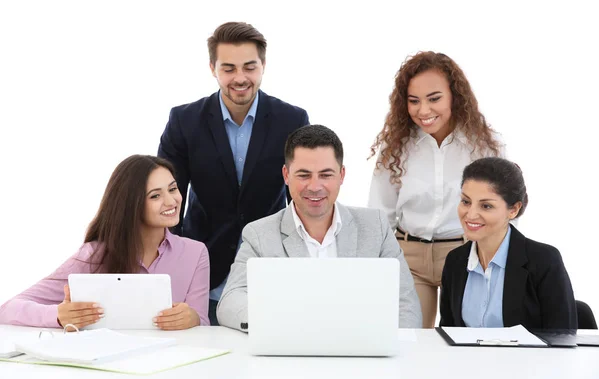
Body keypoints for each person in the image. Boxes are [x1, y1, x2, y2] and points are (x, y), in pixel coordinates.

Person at [158, 22, 309, 325]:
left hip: (271, 270)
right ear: (212, 68)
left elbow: (304, 194)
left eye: (249, 67)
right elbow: (165, 199)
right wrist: (171, 268)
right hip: (204, 271)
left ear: (263, 66)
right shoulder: (184, 121)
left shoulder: (292, 119)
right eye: (228, 68)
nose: (240, 78)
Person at [217, 125, 422, 331]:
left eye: (325, 175)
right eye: (304, 175)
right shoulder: (259, 234)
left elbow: (405, 303)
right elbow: (230, 302)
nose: (315, 186)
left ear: (341, 175)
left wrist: (395, 352)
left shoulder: (375, 226)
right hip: (290, 351)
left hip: (360, 353)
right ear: (286, 175)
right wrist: (277, 323)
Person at [368, 51, 505, 328]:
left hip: (465, 254)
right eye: (414, 101)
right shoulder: (396, 147)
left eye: (434, 98)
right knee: (409, 342)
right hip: (409, 257)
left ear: (454, 95)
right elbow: (379, 213)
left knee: (465, 345)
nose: (424, 111)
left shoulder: (486, 145)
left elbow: (503, 207)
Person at [0, 155, 210, 329]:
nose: (172, 201)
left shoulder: (195, 253)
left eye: (173, 189)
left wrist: (192, 319)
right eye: (155, 196)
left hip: (171, 367)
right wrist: (58, 315)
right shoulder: (94, 255)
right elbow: (8, 309)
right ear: (131, 205)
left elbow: (203, 324)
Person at [439, 157, 577, 329]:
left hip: (528, 357)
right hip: (469, 357)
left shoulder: (544, 261)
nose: (471, 214)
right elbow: (448, 332)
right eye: (466, 202)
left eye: (486, 206)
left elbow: (562, 338)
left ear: (513, 210)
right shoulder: (455, 261)